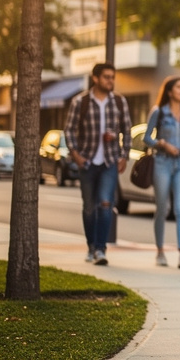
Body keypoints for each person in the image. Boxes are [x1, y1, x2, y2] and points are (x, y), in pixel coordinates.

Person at [64, 62, 132, 266]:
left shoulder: (119, 102)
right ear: (95, 78)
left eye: (112, 77)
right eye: (106, 77)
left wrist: (124, 155)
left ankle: (101, 249)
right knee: (89, 208)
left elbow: (127, 130)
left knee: (105, 204)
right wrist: (75, 155)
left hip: (109, 161)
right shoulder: (80, 102)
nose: (110, 81)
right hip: (87, 162)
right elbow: (69, 130)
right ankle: (91, 246)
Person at [143, 76, 180, 269]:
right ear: (169, 91)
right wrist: (162, 144)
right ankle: (160, 251)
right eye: (178, 87)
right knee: (162, 209)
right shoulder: (159, 112)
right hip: (162, 163)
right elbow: (146, 138)